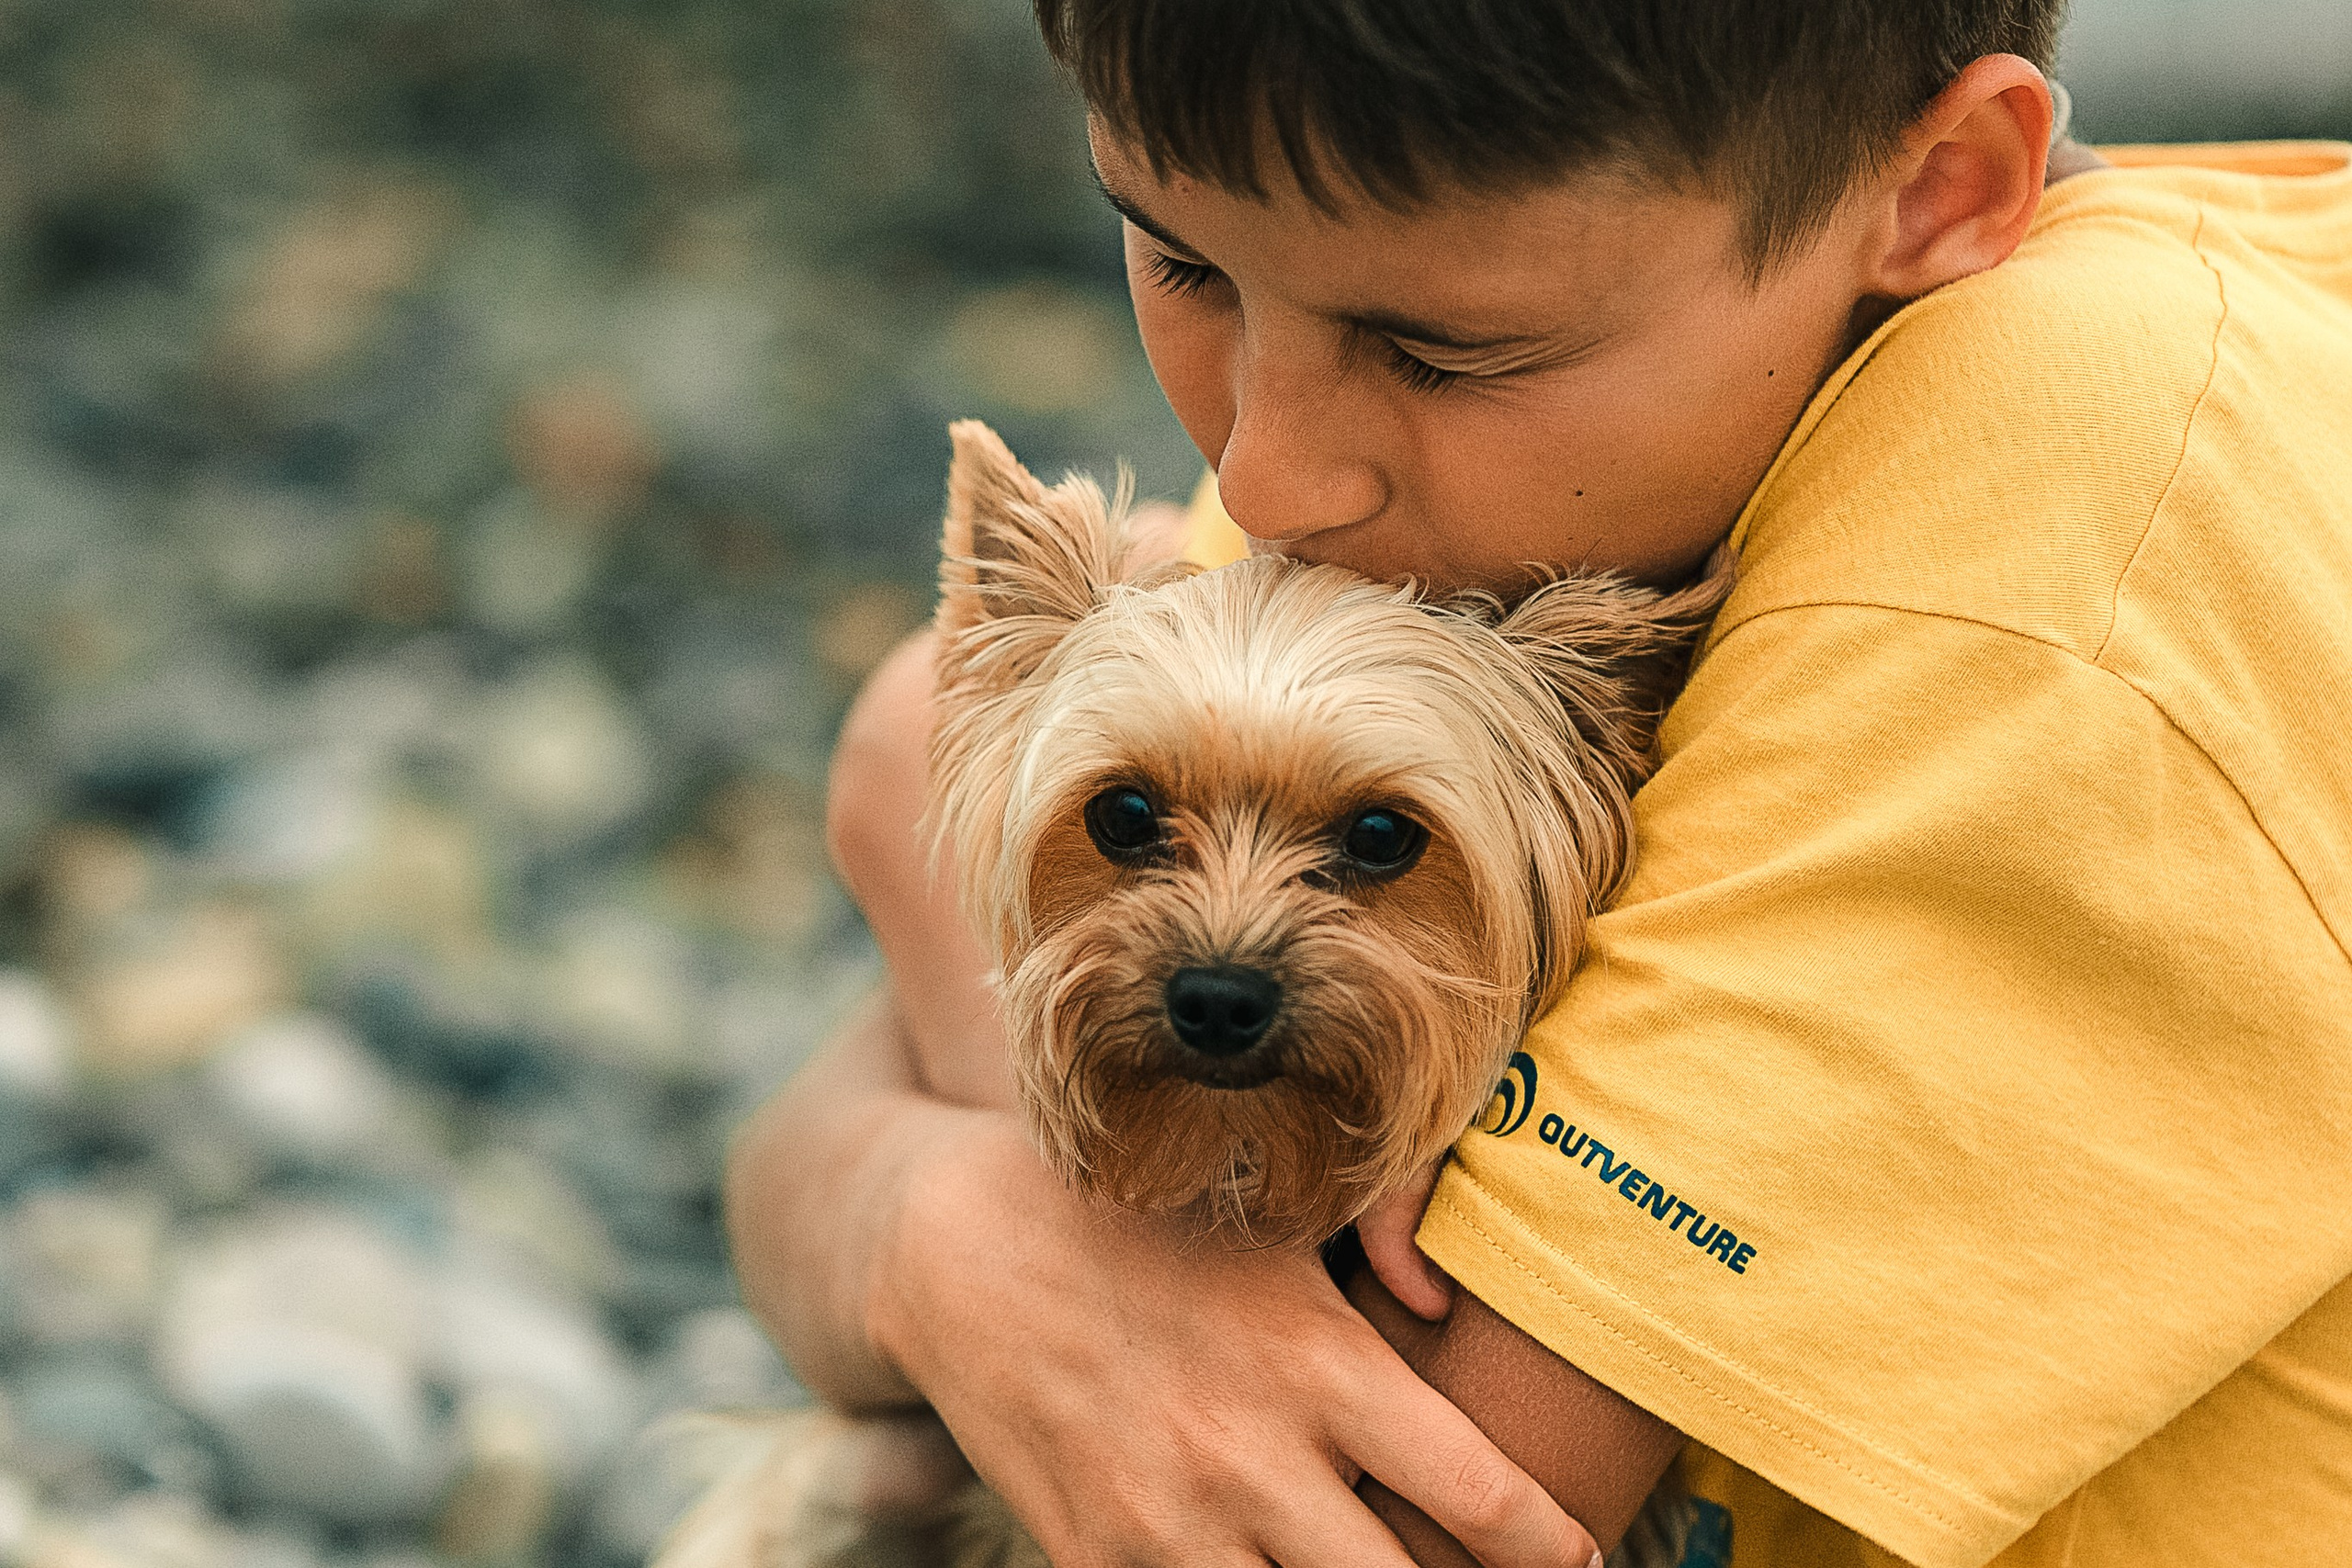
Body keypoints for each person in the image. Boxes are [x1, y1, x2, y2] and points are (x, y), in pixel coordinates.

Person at [727, 3, 2352, 1564]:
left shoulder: (2048, 579)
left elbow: (1370, 1521)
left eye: (1436, 352)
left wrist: (957, 1236)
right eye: (1181, 263)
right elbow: (900, 749)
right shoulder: (1525, 446)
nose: (1264, 479)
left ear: (1941, 188)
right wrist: (951, 1234)